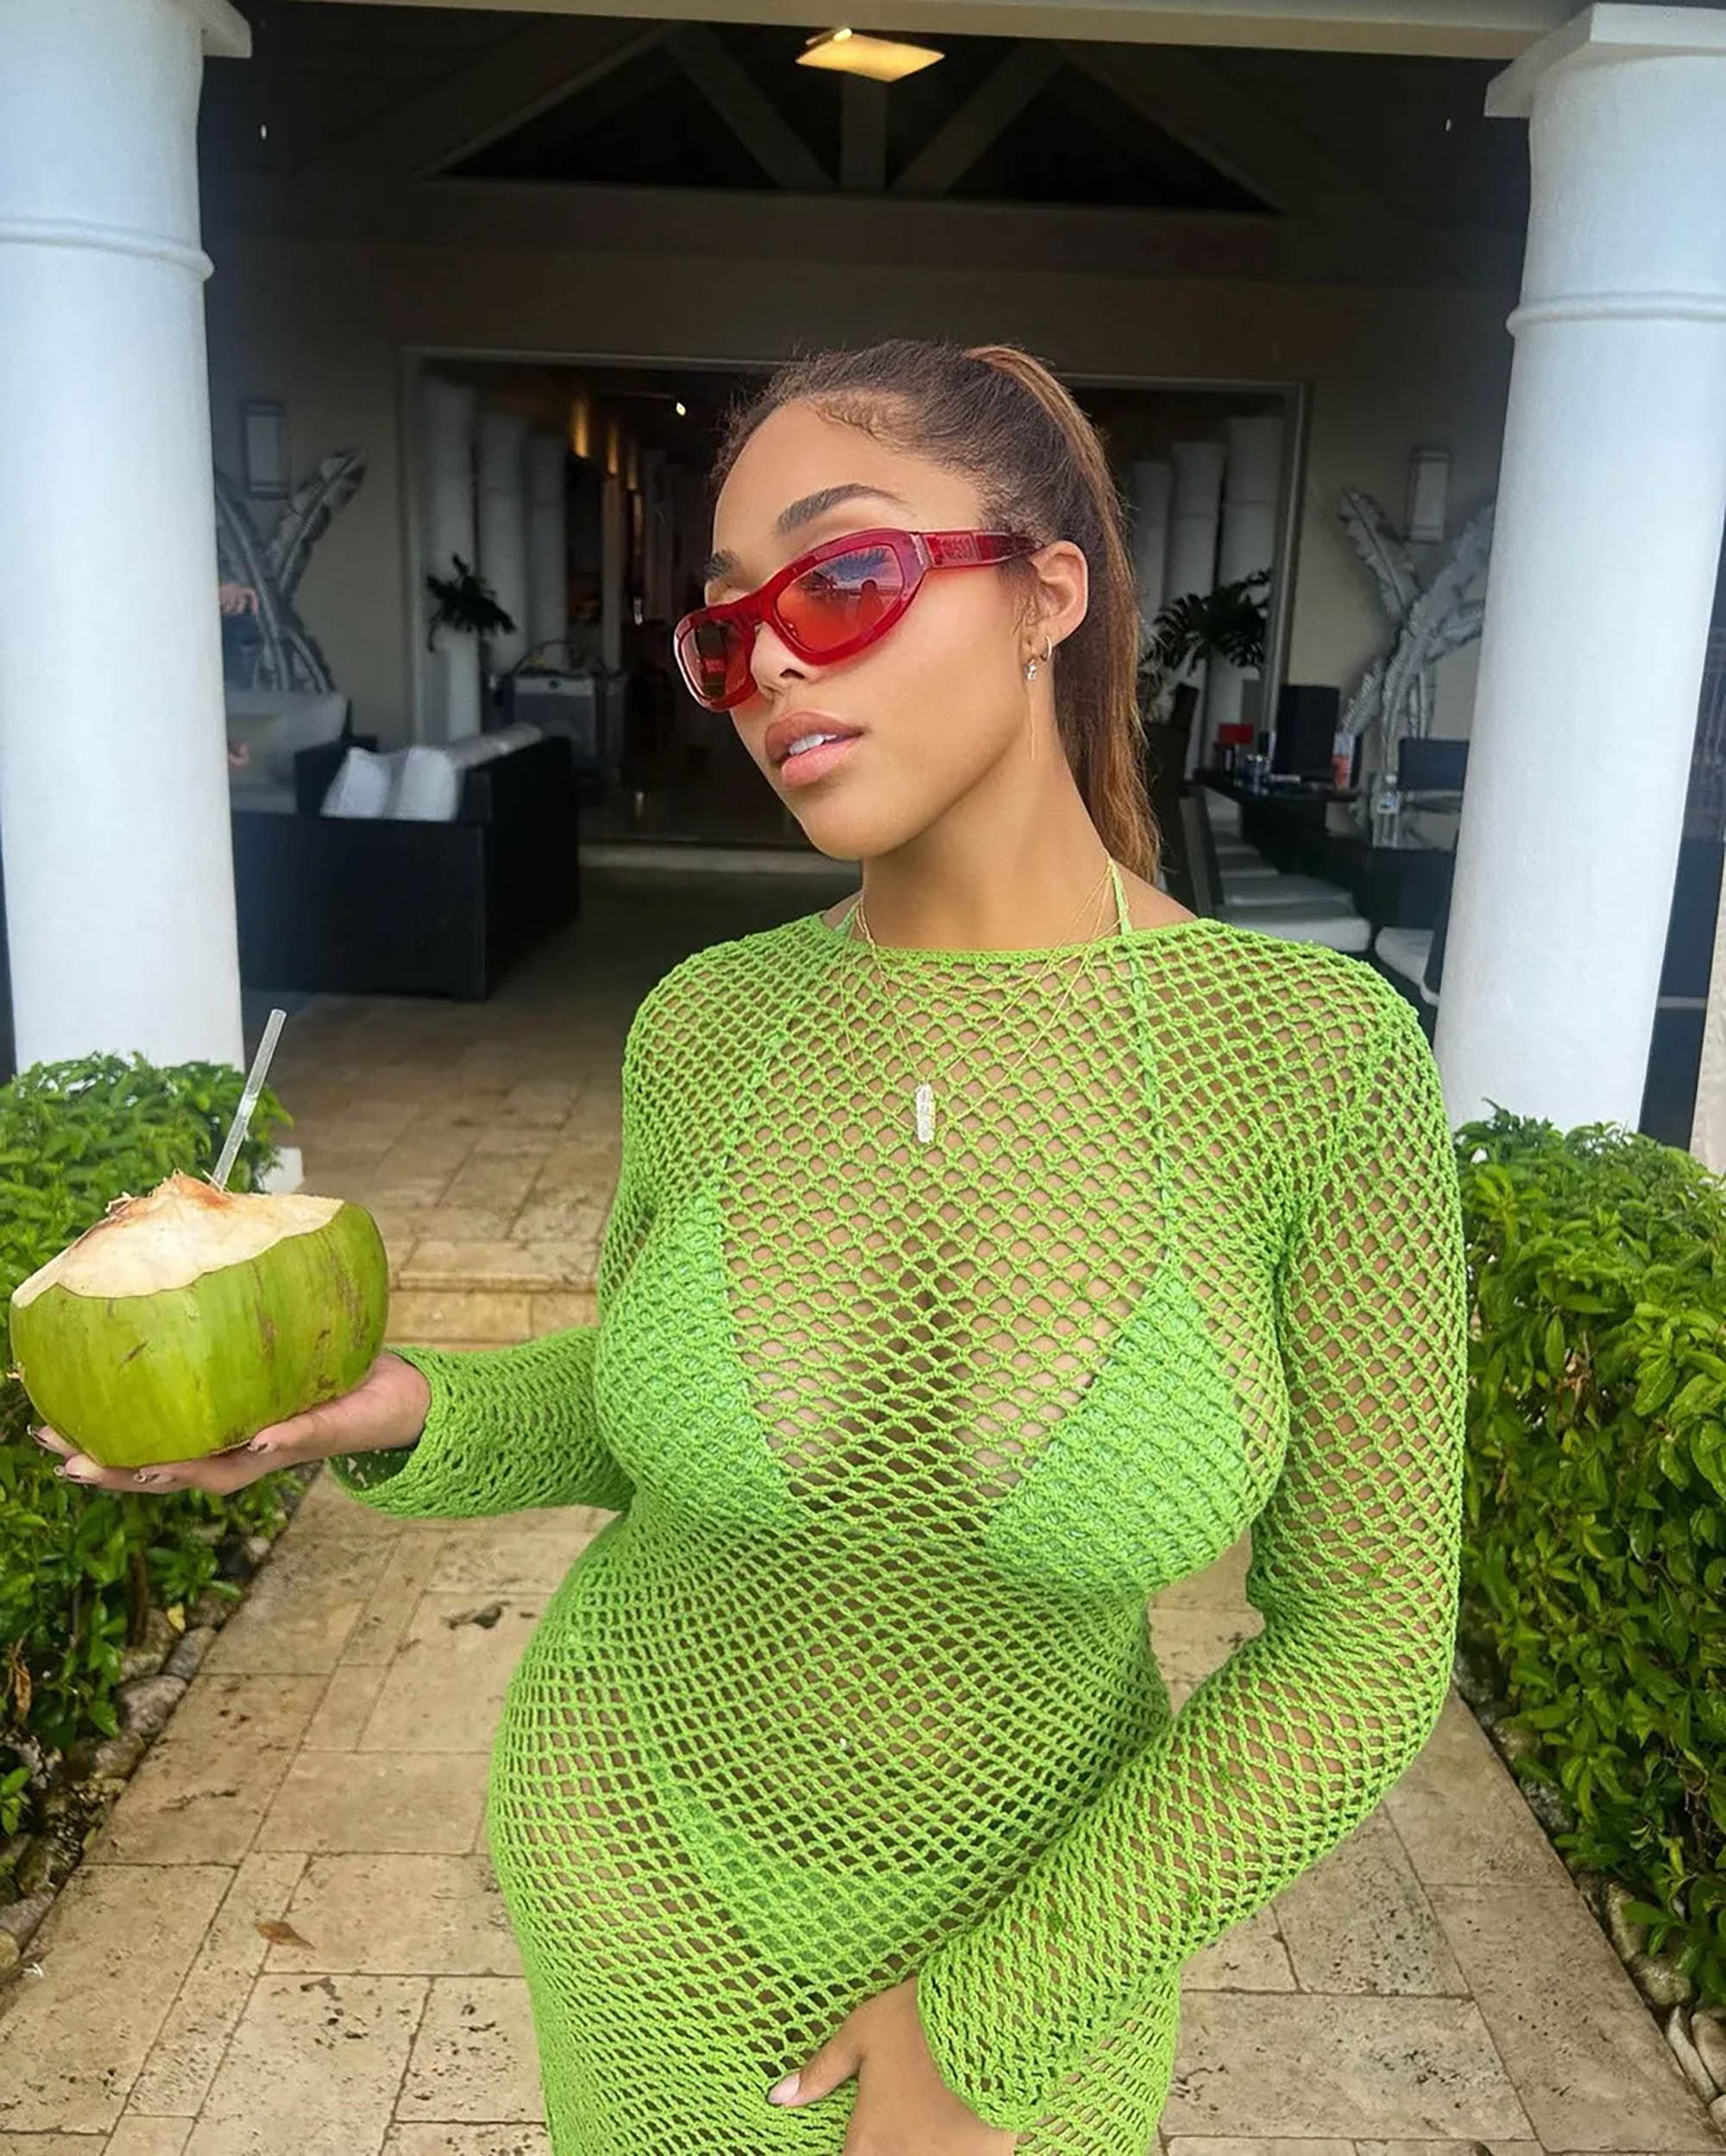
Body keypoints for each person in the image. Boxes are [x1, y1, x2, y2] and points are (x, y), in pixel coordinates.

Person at [35, 338, 1471, 2154]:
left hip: (1036, 1959)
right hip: (636, 1891)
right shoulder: (710, 1026)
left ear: (1047, 595)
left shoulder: (1309, 1063)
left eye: (842, 577)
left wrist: (991, 2018)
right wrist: (401, 1409)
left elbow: (1361, 1649)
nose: (770, 660)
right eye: (724, 631)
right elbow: (659, 1413)